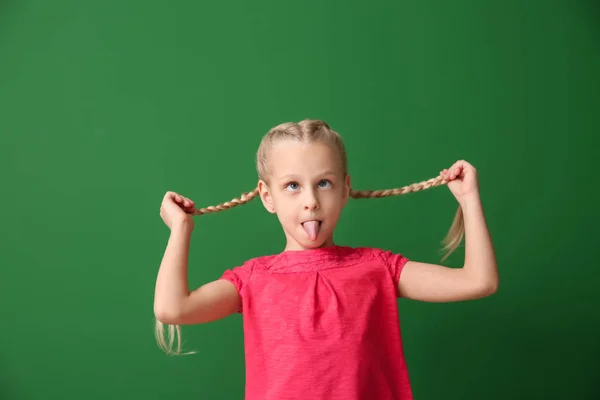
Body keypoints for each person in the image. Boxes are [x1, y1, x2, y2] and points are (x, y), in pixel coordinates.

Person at [153, 119, 498, 400]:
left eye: (324, 183)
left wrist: (469, 199)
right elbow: (173, 309)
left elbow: (479, 281)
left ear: (345, 189)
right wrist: (181, 228)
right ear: (266, 196)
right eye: (292, 185)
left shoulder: (378, 268)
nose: (311, 201)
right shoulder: (253, 279)